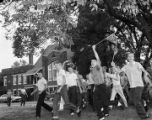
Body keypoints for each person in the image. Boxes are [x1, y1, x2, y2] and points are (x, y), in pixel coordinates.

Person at [121, 52, 151, 119]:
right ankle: (145, 106)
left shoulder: (137, 64)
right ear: (127, 58)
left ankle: (144, 116)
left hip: (139, 85)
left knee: (137, 101)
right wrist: (113, 67)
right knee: (134, 100)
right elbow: (119, 71)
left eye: (132, 56)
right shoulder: (126, 66)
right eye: (129, 56)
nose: (131, 57)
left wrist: (146, 75)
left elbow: (143, 70)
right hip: (132, 86)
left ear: (133, 57)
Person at [90, 45, 109, 120]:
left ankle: (104, 113)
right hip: (97, 86)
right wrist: (94, 87)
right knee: (96, 101)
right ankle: (103, 114)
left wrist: (94, 49)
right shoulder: (92, 70)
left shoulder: (98, 67)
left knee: (104, 100)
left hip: (102, 85)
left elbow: (97, 58)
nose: (91, 62)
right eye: (91, 62)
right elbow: (94, 80)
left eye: (93, 61)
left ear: (96, 62)